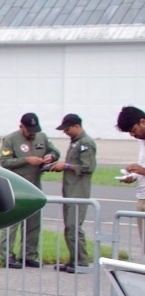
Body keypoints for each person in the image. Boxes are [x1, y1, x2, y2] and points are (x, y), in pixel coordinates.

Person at [0, 112, 57, 267]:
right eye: (29, 130)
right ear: (21, 126)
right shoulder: (11, 139)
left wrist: (50, 156)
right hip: (16, 188)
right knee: (12, 223)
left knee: (33, 223)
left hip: (35, 187)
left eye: (34, 130)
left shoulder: (42, 137)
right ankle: (7, 255)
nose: (32, 133)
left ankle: (29, 255)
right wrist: (26, 160)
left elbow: (55, 152)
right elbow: (4, 162)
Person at [50, 114, 96, 271]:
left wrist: (66, 166)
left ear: (76, 126)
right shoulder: (76, 142)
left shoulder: (86, 143)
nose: (65, 132)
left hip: (79, 191)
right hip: (70, 190)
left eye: (67, 129)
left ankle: (81, 262)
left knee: (74, 226)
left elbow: (87, 167)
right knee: (69, 227)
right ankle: (73, 259)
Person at [119, 106, 145, 215]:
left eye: (133, 130)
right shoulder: (141, 140)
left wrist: (143, 171)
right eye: (129, 132)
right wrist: (134, 175)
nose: (132, 135)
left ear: (143, 122)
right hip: (142, 197)